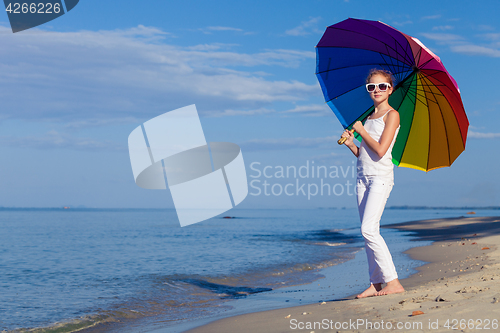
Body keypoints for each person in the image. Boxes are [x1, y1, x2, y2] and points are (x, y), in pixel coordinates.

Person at [341, 69, 405, 298]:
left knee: (368, 229)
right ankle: (376, 282)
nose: (377, 90)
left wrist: (359, 132)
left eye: (382, 86)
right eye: (372, 87)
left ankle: (393, 281)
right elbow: (364, 154)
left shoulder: (392, 115)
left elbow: (380, 150)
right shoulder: (368, 118)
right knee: (367, 232)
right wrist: (351, 143)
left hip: (380, 178)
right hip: (362, 178)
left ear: (391, 89)